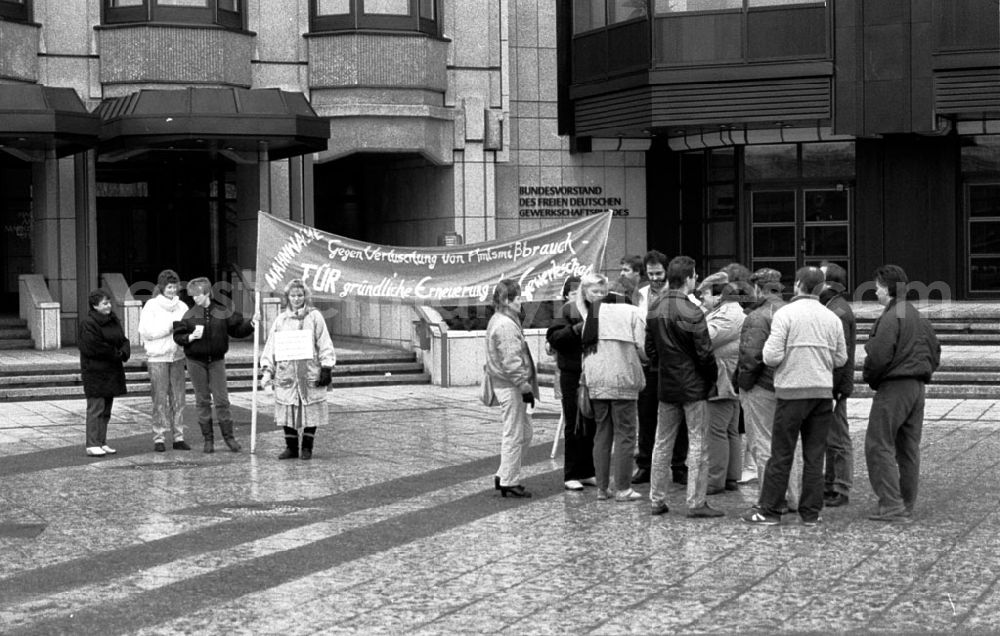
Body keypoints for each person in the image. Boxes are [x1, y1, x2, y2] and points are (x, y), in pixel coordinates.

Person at [743, 267, 847, 526]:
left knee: (781, 453)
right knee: (814, 456)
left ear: (798, 284)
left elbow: (771, 356)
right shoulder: (831, 317)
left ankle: (770, 510)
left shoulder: (785, 314)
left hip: (791, 393)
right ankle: (811, 512)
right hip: (822, 394)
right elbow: (840, 358)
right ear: (821, 288)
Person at [863, 265, 940, 523]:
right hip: (917, 387)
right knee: (908, 448)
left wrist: (872, 379)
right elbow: (935, 350)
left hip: (895, 386)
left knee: (878, 444)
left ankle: (891, 505)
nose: (874, 291)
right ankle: (905, 503)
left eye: (877, 286)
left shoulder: (890, 317)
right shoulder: (918, 316)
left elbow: (878, 356)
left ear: (886, 288)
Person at [646, 256, 722, 518]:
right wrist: (710, 377)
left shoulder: (655, 306)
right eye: (695, 276)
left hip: (667, 383)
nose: (697, 280)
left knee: (662, 442)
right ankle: (695, 502)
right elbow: (704, 353)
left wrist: (664, 367)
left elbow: (650, 350)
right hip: (693, 385)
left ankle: (656, 499)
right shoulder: (692, 310)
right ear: (689, 278)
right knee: (698, 443)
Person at [736, 268, 801, 511]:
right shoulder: (791, 312)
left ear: (757, 288)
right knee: (787, 444)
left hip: (761, 387)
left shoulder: (757, 316)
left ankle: (770, 499)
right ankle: (793, 497)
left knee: (762, 445)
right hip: (787, 385)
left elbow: (750, 357)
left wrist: (743, 384)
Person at [577, 274, 646, 501]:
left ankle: (602, 488)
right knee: (626, 434)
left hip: (596, 380)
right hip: (622, 379)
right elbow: (643, 348)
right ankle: (623, 488)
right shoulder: (632, 312)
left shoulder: (592, 314)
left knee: (602, 433)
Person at [173, 277, 257, 454]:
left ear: (206, 293)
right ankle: (208, 439)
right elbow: (178, 336)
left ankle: (229, 437)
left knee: (221, 400)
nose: (194, 298)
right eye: (192, 295)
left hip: (217, 359)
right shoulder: (189, 315)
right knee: (202, 400)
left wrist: (251, 324)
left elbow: (237, 330)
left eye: (197, 295)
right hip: (195, 360)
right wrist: (189, 338)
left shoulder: (221, 311)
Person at [259, 279, 337, 460]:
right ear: (287, 297)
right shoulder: (281, 320)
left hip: (309, 370)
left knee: (311, 408)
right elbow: (272, 346)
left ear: (305, 296)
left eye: (300, 295)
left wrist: (327, 366)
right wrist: (267, 370)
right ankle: (291, 447)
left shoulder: (315, 317)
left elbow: (324, 341)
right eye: (293, 295)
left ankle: (307, 447)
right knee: (287, 408)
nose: (296, 299)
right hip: (287, 373)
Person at [633, 250, 689, 486]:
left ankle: (679, 465)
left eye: (659, 273)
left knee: (679, 417)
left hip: (673, 364)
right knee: (646, 417)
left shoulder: (679, 294)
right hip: (647, 362)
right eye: (650, 273)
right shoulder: (639, 294)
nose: (655, 278)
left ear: (667, 271)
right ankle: (645, 465)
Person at [485, 278, 539, 498]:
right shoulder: (506, 325)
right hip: (511, 386)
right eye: (518, 298)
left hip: (508, 384)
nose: (521, 302)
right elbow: (511, 360)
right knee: (515, 433)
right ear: (507, 301)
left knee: (524, 432)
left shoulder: (501, 319)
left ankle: (504, 474)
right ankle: (509, 480)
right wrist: (523, 385)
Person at [546, 276, 597, 491]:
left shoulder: (594, 310)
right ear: (568, 295)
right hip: (572, 374)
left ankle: (587, 471)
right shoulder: (567, 312)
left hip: (592, 373)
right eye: (575, 292)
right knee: (574, 422)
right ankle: (571, 474)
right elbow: (554, 338)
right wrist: (575, 329)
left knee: (590, 422)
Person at [699, 273, 745, 494]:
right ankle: (730, 477)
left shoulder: (728, 315)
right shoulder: (727, 312)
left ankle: (715, 480)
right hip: (727, 378)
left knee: (716, 431)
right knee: (729, 431)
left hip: (722, 379)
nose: (702, 300)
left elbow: (706, 337)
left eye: (705, 294)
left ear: (718, 296)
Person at [138, 269, 189, 453]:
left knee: (178, 398)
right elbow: (146, 331)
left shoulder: (182, 307)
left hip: (177, 356)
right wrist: (169, 328)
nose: (172, 290)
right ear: (162, 287)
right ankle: (159, 437)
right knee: (159, 399)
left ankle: (179, 436)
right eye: (169, 286)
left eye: (175, 286)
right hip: (157, 358)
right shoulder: (151, 305)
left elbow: (187, 327)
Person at [820, 262, 857, 507]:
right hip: (834, 383)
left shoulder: (837, 312)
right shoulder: (834, 308)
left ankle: (840, 487)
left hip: (835, 385)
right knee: (831, 437)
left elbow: (839, 356)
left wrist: (833, 388)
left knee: (838, 439)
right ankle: (831, 483)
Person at [78, 289, 130, 457]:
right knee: (96, 408)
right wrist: (116, 353)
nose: (108, 306)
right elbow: (92, 346)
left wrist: (124, 351)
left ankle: (101, 441)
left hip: (112, 370)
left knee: (106, 409)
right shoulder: (88, 323)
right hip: (95, 371)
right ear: (95, 305)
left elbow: (123, 340)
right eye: (104, 303)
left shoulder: (113, 320)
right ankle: (92, 443)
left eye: (109, 302)